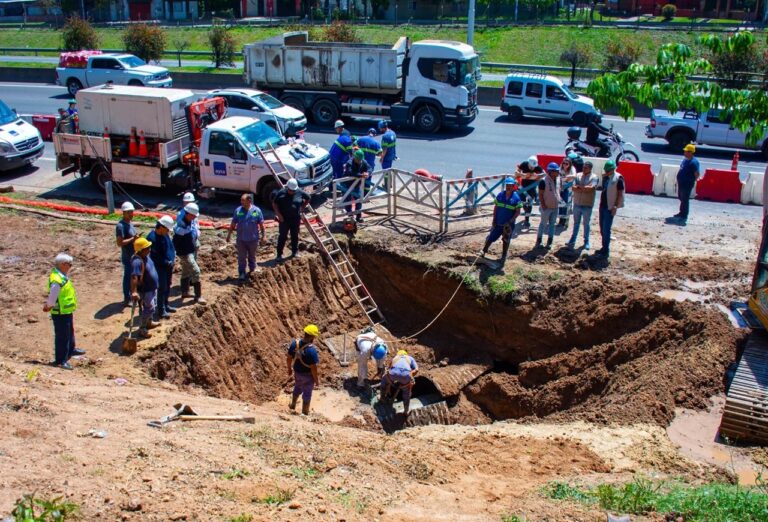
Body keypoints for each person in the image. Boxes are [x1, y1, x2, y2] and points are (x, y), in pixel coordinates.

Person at [43, 253, 84, 370]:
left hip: (66, 310)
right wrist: (48, 306)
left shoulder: (62, 275)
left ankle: (71, 349)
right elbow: (53, 296)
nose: (70, 266)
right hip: (60, 312)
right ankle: (60, 360)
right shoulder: (57, 279)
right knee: (62, 336)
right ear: (62, 265)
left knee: (69, 332)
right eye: (69, 264)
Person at [482, 176, 522, 263]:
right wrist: (494, 219)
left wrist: (511, 220)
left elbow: (517, 212)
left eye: (510, 185)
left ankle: (503, 256)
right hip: (498, 222)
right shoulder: (500, 195)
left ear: (513, 186)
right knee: (491, 237)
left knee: (506, 240)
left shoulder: (516, 198)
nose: (508, 187)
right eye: (507, 185)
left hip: (508, 224)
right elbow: (496, 208)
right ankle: (483, 251)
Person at [226, 193, 266, 281]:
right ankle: (242, 272)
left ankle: (252, 270)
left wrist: (264, 236)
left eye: (243, 201)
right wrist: (229, 235)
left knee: (252, 256)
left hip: (253, 239)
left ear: (249, 201)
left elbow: (262, 225)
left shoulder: (256, 211)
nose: (241, 202)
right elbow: (233, 224)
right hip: (241, 239)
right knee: (241, 257)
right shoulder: (238, 211)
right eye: (241, 200)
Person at [173, 203, 207, 304]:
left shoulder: (190, 222)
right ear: (188, 214)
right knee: (196, 271)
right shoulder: (181, 226)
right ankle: (198, 296)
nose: (195, 217)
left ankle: (185, 291)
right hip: (185, 253)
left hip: (189, 250)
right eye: (193, 215)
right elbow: (176, 242)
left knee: (186, 270)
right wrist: (181, 253)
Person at [272, 178, 310, 261]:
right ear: (287, 188)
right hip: (284, 220)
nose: (292, 192)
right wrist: (279, 215)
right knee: (282, 236)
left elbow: (308, 198)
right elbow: (274, 203)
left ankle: (294, 252)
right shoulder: (281, 193)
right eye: (290, 190)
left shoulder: (299, 192)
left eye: (293, 191)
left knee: (295, 236)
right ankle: (279, 254)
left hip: (295, 219)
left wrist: (302, 207)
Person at [287, 324, 321, 415]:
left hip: (297, 373)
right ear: (312, 337)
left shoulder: (295, 343)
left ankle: (292, 405)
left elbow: (289, 357)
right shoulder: (312, 350)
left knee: (297, 387)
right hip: (308, 376)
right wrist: (316, 380)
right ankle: (305, 413)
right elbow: (314, 368)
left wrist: (289, 368)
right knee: (307, 393)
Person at [147, 216, 176, 320]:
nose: (168, 231)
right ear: (161, 227)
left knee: (168, 285)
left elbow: (170, 247)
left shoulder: (165, 235)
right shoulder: (152, 238)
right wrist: (166, 262)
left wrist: (173, 258)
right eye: (167, 229)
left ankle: (166, 304)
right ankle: (161, 309)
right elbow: (154, 257)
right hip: (159, 267)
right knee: (162, 287)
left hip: (168, 265)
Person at [130, 237, 160, 339]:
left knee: (152, 306)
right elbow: (134, 277)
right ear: (141, 250)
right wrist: (134, 292)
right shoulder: (137, 262)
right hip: (145, 289)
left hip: (151, 288)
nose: (149, 249)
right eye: (147, 247)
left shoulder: (145, 256)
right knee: (149, 308)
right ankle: (142, 328)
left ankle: (149, 322)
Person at [566, 161, 599, 250]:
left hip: (587, 204)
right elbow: (573, 187)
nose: (584, 169)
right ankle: (573, 239)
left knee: (586, 224)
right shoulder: (578, 175)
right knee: (576, 223)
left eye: (586, 167)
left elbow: (591, 189)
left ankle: (586, 241)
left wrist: (580, 187)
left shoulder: (594, 177)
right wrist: (583, 187)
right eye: (583, 167)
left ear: (590, 169)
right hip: (577, 203)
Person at [597, 160, 625, 258]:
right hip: (603, 205)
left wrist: (615, 206)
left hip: (610, 207)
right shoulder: (606, 177)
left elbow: (620, 194)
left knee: (606, 229)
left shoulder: (618, 179)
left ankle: (605, 250)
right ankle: (603, 247)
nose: (607, 172)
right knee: (601, 227)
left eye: (608, 170)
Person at [380, 350, 419, 417]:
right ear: (406, 354)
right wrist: (410, 375)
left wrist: (390, 382)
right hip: (406, 375)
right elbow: (416, 369)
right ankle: (406, 411)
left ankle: (382, 398)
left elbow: (389, 369)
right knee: (406, 393)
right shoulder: (410, 358)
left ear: (399, 354)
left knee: (384, 379)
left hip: (393, 373)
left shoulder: (396, 357)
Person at [115, 201, 140, 307]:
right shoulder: (121, 226)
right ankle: (127, 298)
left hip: (134, 255)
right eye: (129, 212)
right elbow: (120, 243)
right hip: (127, 256)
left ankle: (132, 295)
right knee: (128, 277)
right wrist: (133, 239)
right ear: (124, 213)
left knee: (134, 276)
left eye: (132, 212)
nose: (131, 214)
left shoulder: (129, 223)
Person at [670, 144, 700, 226]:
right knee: (681, 197)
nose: (684, 152)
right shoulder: (685, 160)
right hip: (681, 182)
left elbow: (697, 173)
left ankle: (684, 214)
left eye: (686, 151)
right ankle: (681, 212)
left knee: (685, 199)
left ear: (690, 152)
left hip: (687, 183)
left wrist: (693, 180)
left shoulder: (694, 162)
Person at [536, 163, 562, 249]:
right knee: (543, 224)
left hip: (555, 207)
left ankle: (549, 242)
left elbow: (558, 190)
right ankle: (539, 241)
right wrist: (543, 205)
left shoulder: (558, 180)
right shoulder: (543, 181)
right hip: (546, 207)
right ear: (551, 172)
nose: (558, 172)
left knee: (552, 225)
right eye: (556, 171)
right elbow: (540, 194)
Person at [516, 155, 544, 229]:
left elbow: (544, 174)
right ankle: (526, 212)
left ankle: (527, 219)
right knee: (522, 201)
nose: (532, 168)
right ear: (528, 163)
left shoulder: (537, 167)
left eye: (533, 167)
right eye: (531, 166)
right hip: (523, 185)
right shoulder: (524, 164)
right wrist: (523, 174)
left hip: (532, 186)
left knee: (530, 202)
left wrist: (537, 175)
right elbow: (516, 172)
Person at [343, 149, 371, 223]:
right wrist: (361, 175)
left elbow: (369, 168)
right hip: (347, 184)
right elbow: (350, 172)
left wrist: (367, 173)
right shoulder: (349, 163)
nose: (359, 161)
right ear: (354, 157)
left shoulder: (363, 162)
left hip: (356, 185)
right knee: (348, 200)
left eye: (360, 160)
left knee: (358, 200)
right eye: (358, 160)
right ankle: (350, 215)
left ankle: (358, 216)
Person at [177, 193, 200, 258]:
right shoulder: (181, 214)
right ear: (183, 203)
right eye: (186, 202)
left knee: (195, 254)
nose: (188, 204)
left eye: (190, 202)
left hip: (194, 238)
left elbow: (196, 224)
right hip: (187, 240)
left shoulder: (193, 210)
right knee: (189, 258)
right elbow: (180, 231)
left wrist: (197, 233)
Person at [558, 155, 578, 227]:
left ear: (569, 164)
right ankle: (560, 219)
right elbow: (558, 176)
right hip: (561, 187)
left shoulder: (572, 168)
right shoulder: (560, 168)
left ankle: (565, 220)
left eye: (567, 164)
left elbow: (574, 176)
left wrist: (566, 177)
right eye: (564, 163)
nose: (565, 165)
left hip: (568, 188)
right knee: (560, 204)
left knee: (566, 204)